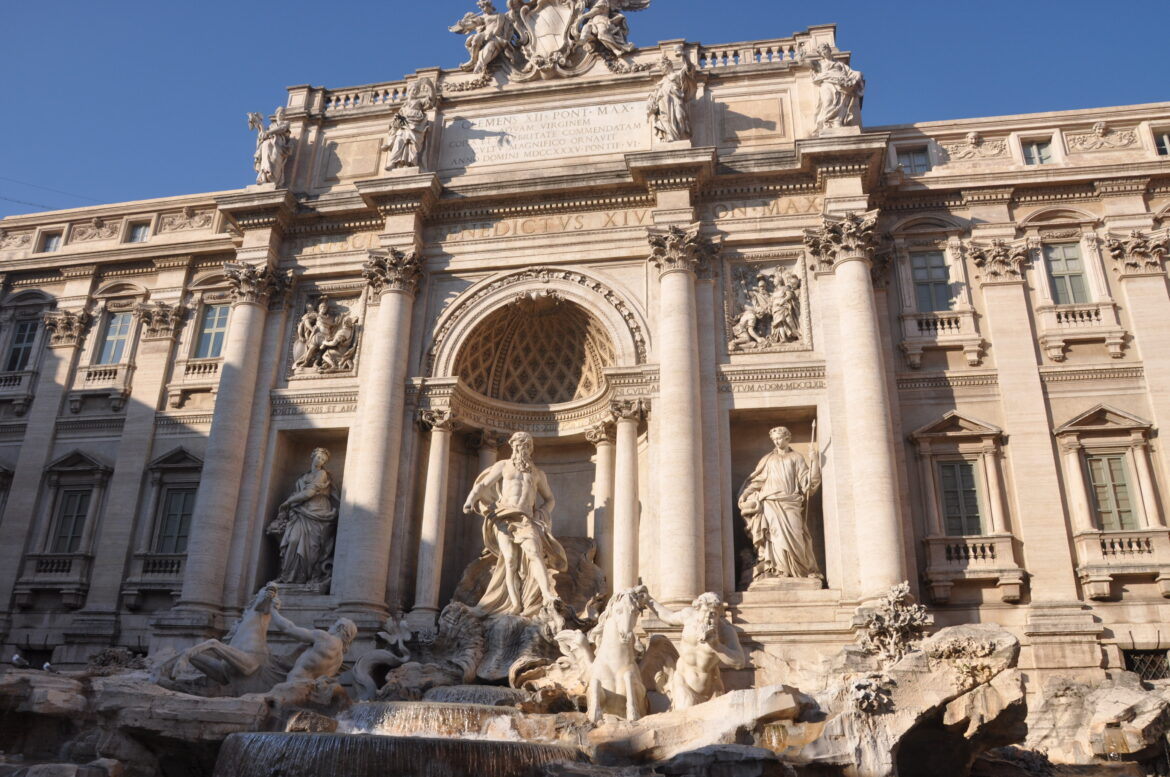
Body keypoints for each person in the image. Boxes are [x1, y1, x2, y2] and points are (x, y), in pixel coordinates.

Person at [463, 431, 568, 617]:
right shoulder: (503, 466)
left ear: (531, 449)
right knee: (509, 560)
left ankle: (547, 596)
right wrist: (470, 500)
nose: (523, 448)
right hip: (503, 515)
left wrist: (541, 514)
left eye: (527, 445)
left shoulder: (537, 474)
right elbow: (483, 485)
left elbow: (550, 499)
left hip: (525, 519)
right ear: (513, 446)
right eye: (519, 444)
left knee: (535, 553)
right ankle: (515, 604)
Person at [738, 426, 822, 580]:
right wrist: (745, 494)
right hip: (770, 501)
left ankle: (799, 571)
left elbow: (807, 482)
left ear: (787, 438)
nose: (777, 442)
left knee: (796, 534)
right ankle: (779, 570)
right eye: (774, 439)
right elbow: (757, 481)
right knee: (775, 536)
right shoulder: (767, 459)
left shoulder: (796, 457)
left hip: (791, 502)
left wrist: (815, 461)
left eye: (779, 438)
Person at [647, 592, 746, 709]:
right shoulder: (688, 616)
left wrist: (717, 646)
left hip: (711, 689)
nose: (707, 618)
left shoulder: (725, 632)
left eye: (713, 614)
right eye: (704, 612)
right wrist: (648, 600)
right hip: (682, 682)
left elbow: (740, 662)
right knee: (685, 714)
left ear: (719, 614)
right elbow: (668, 616)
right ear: (697, 610)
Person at [268, 448, 338, 586]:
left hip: (317, 510)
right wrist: (290, 505)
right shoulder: (302, 477)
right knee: (293, 540)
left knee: (312, 547)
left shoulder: (322, 474)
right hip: (300, 511)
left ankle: (304, 577)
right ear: (312, 457)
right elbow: (298, 493)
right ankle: (287, 576)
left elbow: (309, 493)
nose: (320, 461)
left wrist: (288, 502)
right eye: (318, 457)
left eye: (323, 460)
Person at [269, 609, 357, 685]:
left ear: (339, 628)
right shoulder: (339, 659)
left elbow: (289, 628)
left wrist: (273, 610)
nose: (330, 626)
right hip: (310, 690)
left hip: (294, 683)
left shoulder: (324, 637)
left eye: (334, 625)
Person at [383, 79, 437, 170]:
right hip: (404, 126)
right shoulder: (404, 106)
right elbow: (398, 120)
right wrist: (395, 122)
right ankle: (393, 162)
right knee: (399, 141)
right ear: (409, 91)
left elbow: (431, 99)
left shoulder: (419, 102)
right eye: (413, 90)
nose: (415, 92)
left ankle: (411, 163)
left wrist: (430, 86)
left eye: (417, 90)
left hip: (416, 127)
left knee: (413, 145)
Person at [811, 43, 864, 133]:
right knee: (828, 100)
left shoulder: (839, 64)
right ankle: (827, 123)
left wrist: (857, 74)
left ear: (829, 50)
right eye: (821, 51)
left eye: (824, 49)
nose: (823, 52)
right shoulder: (819, 64)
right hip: (827, 83)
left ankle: (837, 122)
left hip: (841, 84)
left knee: (841, 103)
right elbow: (812, 72)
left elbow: (850, 72)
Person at [647, 58, 694, 142]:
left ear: (667, 66)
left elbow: (688, 67)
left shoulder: (677, 75)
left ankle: (681, 136)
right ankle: (670, 136)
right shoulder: (661, 82)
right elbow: (654, 96)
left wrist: (684, 55)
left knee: (680, 117)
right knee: (666, 119)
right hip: (663, 102)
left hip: (676, 100)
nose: (661, 70)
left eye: (662, 68)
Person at [253, 107, 293, 187]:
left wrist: (269, 132)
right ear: (276, 114)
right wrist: (259, 126)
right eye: (280, 112)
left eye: (283, 113)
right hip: (270, 142)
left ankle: (273, 178)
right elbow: (263, 135)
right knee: (266, 148)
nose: (281, 114)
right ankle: (264, 177)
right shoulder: (272, 125)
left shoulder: (286, 123)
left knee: (275, 159)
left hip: (279, 144)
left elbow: (282, 128)